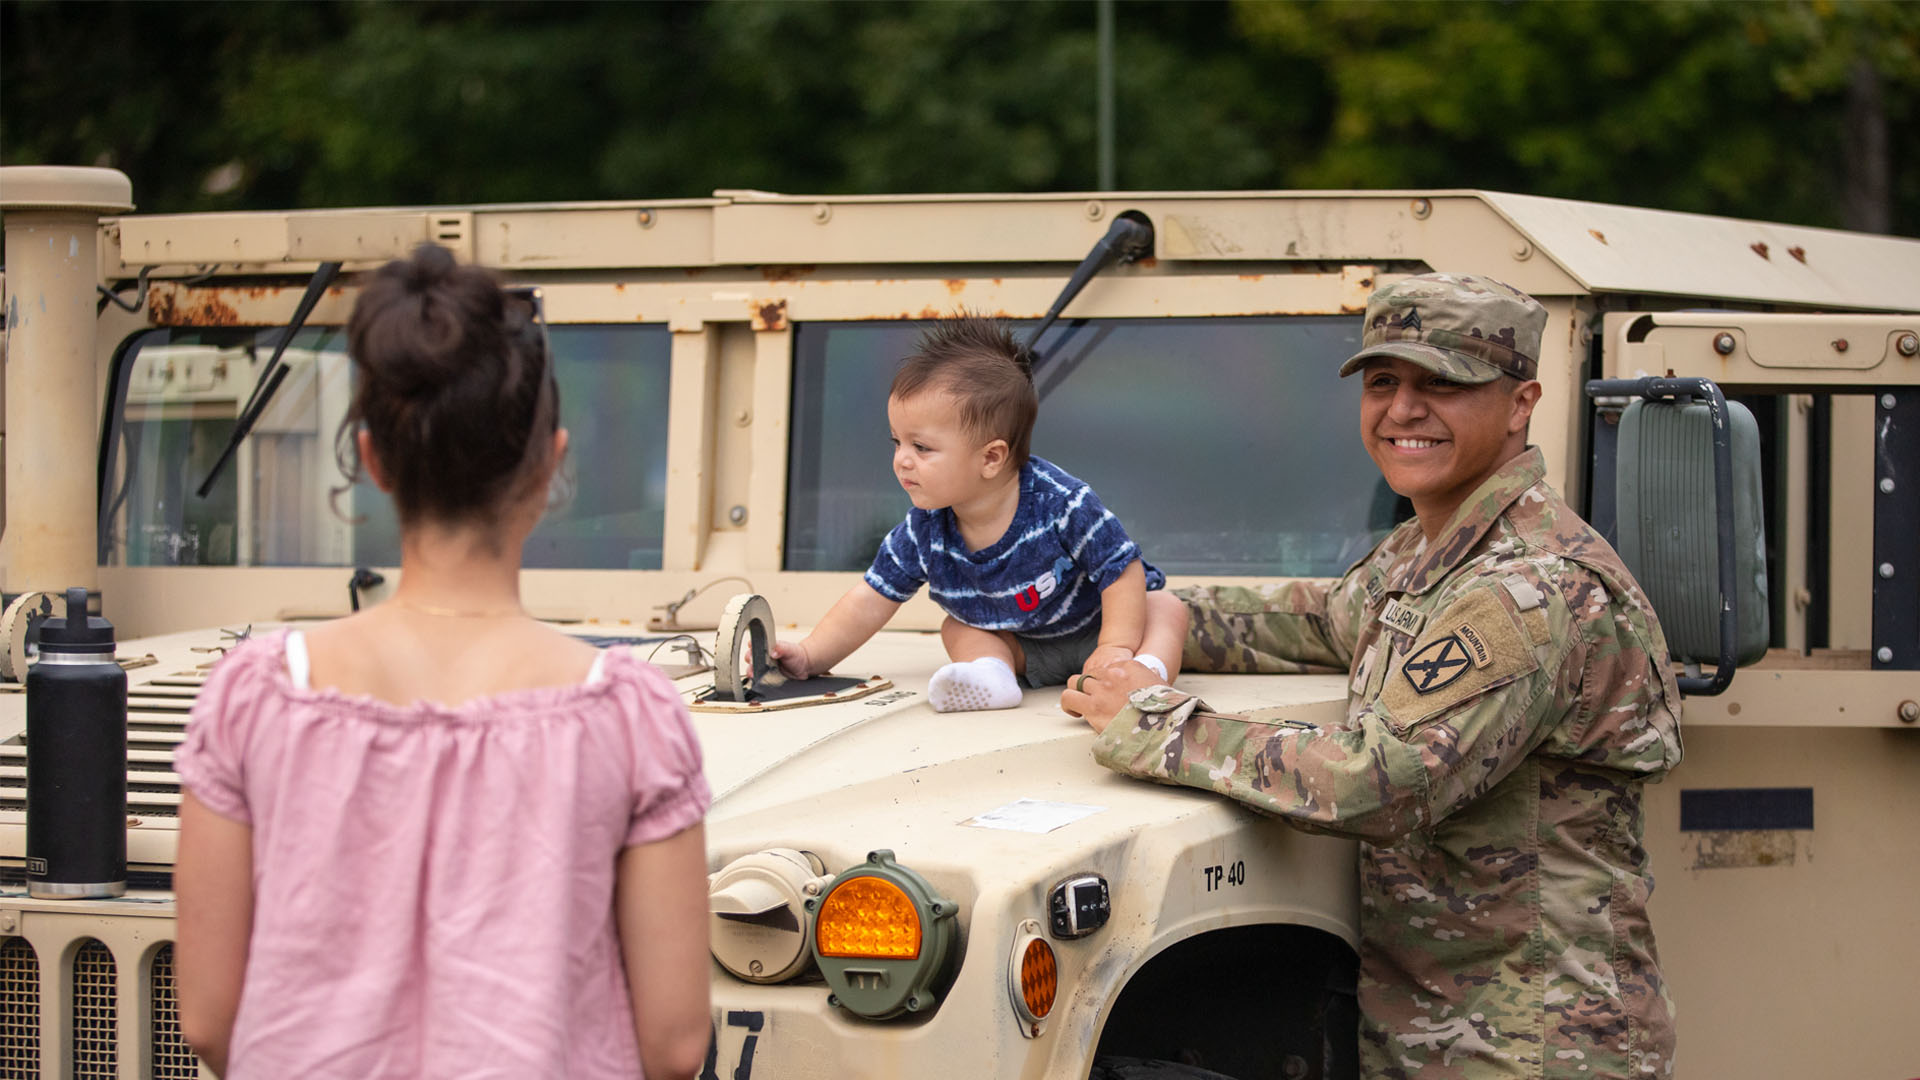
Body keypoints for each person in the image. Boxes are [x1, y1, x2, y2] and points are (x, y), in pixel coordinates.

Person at [1064, 273, 1683, 1079]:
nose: (1402, 411)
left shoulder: (1528, 588)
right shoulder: (1429, 551)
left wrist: (1154, 721)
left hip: (1533, 1039)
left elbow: (1379, 778)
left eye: (1443, 384)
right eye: (1384, 382)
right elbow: (1315, 621)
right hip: (1445, 1027)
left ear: (1522, 401)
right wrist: (1106, 608)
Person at [172, 245, 712, 1080]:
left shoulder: (254, 695)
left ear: (374, 460)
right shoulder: (627, 714)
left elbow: (209, 1018)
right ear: (550, 462)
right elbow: (675, 1045)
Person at [771, 314, 1188, 712]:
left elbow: (1120, 568)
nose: (901, 460)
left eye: (922, 447)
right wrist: (809, 655)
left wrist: (1114, 646)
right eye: (896, 442)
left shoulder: (1061, 502)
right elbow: (869, 599)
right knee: (958, 627)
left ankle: (1145, 675)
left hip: (1105, 629)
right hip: (1027, 648)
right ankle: (992, 677)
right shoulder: (924, 530)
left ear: (991, 458)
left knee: (1165, 607)